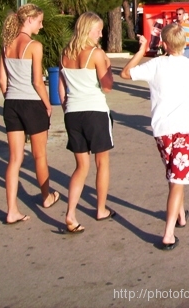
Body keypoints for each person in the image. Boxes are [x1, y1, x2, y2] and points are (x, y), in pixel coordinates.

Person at [120, 24, 189, 251]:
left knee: (175, 174)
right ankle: (168, 233)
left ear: (164, 45)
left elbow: (126, 73)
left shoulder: (156, 65)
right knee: (178, 177)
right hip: (185, 127)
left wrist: (141, 51)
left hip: (163, 129)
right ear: (186, 44)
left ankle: (180, 215)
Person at [0, 4, 59, 225]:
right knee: (39, 155)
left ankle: (11, 210)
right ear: (30, 20)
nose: (41, 26)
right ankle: (46, 196)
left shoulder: (6, 44)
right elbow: (37, 81)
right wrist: (48, 104)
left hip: (11, 103)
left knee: (14, 159)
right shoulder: (34, 46)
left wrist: (11, 99)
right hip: (32, 103)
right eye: (40, 21)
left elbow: (2, 80)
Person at [58, 12, 114, 234]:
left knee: (81, 166)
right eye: (98, 29)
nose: (101, 33)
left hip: (73, 112)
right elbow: (107, 86)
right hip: (95, 112)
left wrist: (66, 107)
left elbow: (61, 86)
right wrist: (108, 65)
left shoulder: (66, 52)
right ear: (89, 29)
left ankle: (71, 213)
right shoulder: (96, 53)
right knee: (102, 163)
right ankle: (100, 209)